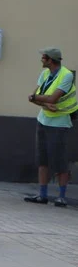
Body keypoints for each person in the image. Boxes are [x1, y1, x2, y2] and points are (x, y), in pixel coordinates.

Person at [25, 47, 77, 206]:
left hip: (60, 122)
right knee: (42, 159)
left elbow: (53, 98)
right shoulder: (45, 74)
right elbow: (33, 97)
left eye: (44, 57)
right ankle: (42, 195)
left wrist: (38, 99)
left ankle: (61, 197)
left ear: (51, 60)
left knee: (60, 160)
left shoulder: (66, 75)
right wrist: (43, 102)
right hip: (43, 120)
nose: (41, 60)